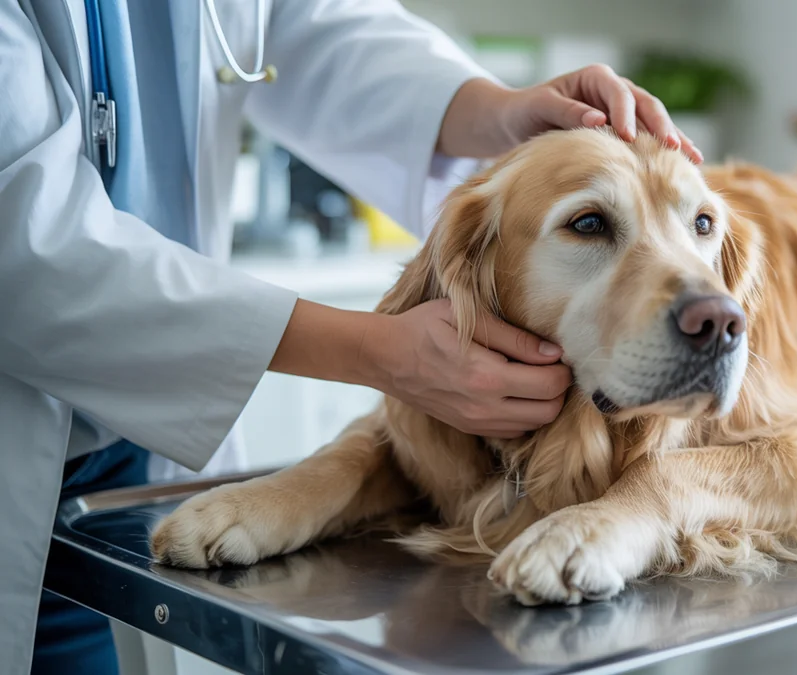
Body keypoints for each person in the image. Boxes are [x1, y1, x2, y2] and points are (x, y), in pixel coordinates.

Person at [1, 0, 702, 673]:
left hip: (138, 457)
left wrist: (497, 110)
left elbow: (316, 26)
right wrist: (378, 352)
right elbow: (26, 245)